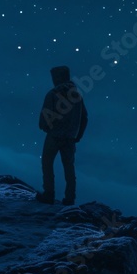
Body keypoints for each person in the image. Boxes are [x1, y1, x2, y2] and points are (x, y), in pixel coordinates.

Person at [36, 65, 88, 206]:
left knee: (47, 164)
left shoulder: (52, 94)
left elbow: (44, 118)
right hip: (70, 138)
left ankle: (49, 195)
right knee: (69, 168)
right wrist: (78, 135)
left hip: (54, 136)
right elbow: (85, 117)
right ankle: (70, 199)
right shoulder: (77, 95)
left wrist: (45, 126)